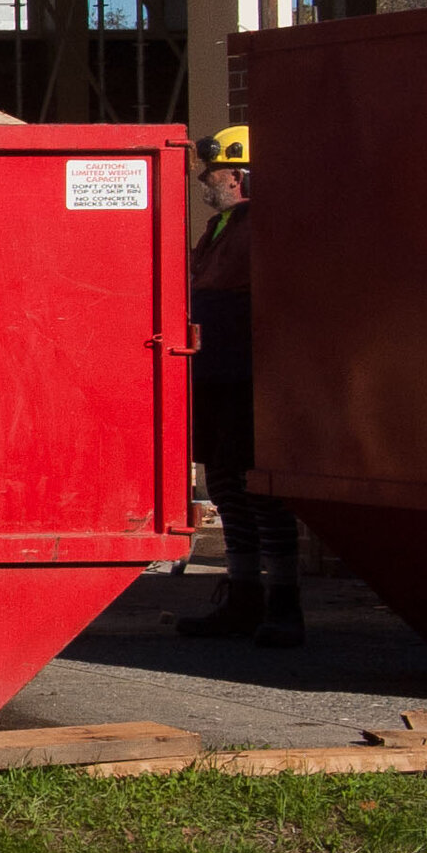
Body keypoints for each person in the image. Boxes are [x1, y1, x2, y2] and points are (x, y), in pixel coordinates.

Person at [177, 125, 303, 649]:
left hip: (248, 377)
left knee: (260, 492)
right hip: (217, 375)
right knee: (227, 485)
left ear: (241, 175)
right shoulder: (220, 227)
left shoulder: (266, 229)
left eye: (215, 173)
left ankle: (283, 605)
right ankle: (244, 596)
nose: (206, 180)